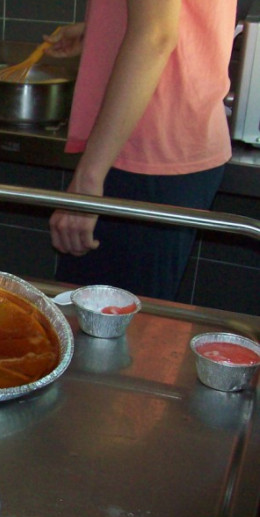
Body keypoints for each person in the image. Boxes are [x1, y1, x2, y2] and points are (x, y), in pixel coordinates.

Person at [45, 0, 236, 300]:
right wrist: (101, 32)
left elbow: (156, 35)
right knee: (128, 325)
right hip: (171, 145)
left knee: (101, 328)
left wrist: (88, 180)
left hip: (143, 152)